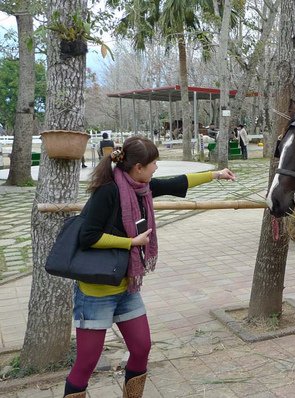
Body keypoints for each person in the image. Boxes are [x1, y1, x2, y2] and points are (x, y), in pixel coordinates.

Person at [63, 136, 235, 398]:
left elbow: (177, 182)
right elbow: (88, 237)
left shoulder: (141, 188)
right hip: (95, 293)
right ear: (138, 167)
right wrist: (131, 241)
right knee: (86, 363)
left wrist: (216, 174)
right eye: (153, 163)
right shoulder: (108, 192)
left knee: (142, 348)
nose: (156, 167)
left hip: (126, 287)